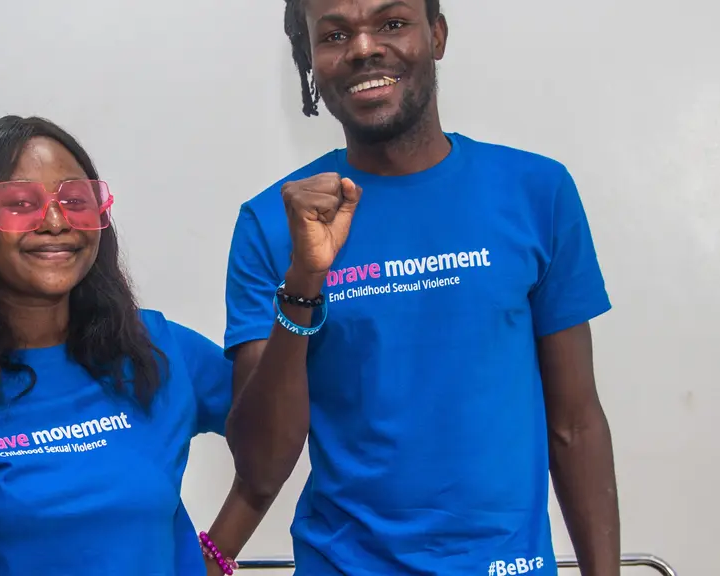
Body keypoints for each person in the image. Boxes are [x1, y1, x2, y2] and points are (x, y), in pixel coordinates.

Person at [223, 0, 621, 574]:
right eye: (334, 35)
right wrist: (303, 281)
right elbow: (259, 468)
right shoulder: (272, 223)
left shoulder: (537, 192)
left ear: (436, 35)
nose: (364, 48)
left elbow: (575, 424)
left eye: (391, 23)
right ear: (309, 59)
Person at [0, 116, 276, 576]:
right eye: (21, 204)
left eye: (75, 201)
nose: (55, 221)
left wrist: (218, 552)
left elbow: (277, 433)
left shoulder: (157, 347)